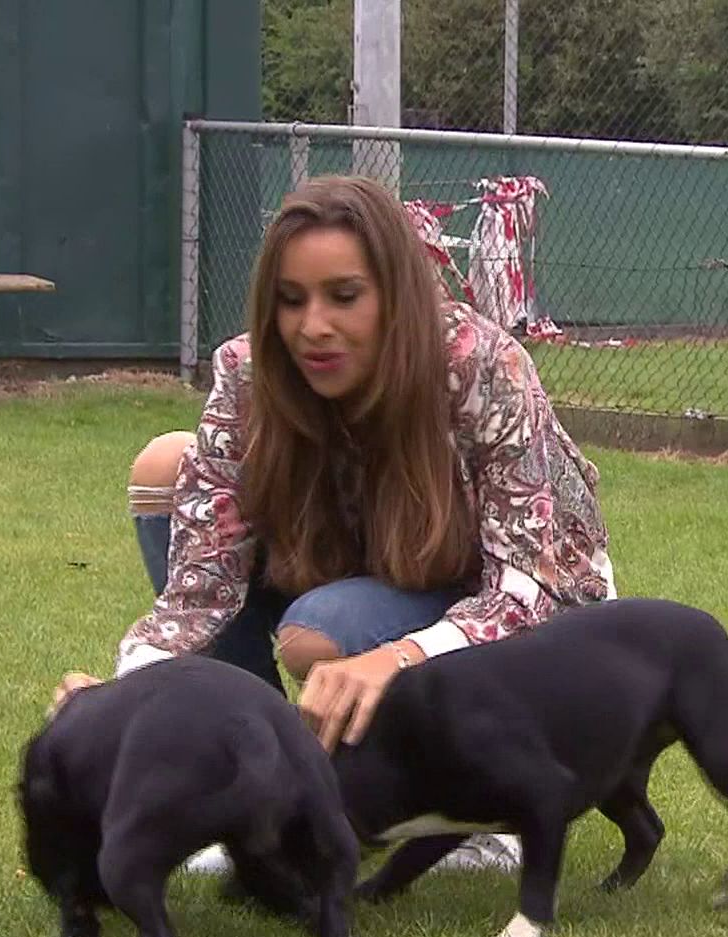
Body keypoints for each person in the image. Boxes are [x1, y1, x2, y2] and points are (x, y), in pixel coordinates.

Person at [55, 174, 617, 874]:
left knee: (321, 633)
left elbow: (533, 588)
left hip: (529, 610)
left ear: (396, 294)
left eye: (344, 296)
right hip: (361, 572)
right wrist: (123, 698)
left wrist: (396, 657)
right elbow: (200, 588)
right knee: (166, 468)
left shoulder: (480, 364)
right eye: (291, 300)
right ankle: (247, 797)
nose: (312, 327)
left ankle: (478, 814)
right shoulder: (249, 371)